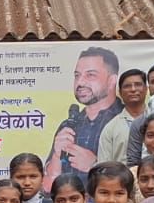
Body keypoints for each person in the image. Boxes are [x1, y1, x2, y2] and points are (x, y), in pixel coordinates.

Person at [44, 47, 126, 188]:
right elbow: (47, 187)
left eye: (90, 75)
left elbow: (136, 175)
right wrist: (57, 157)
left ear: (112, 80)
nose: (80, 82)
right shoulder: (68, 125)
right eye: (77, 75)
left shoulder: (125, 120)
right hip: (68, 201)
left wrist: (95, 166)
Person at [97, 68, 147, 168]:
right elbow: (104, 167)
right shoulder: (111, 129)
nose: (133, 89)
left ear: (146, 89)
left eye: (138, 84)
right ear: (120, 92)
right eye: (127, 86)